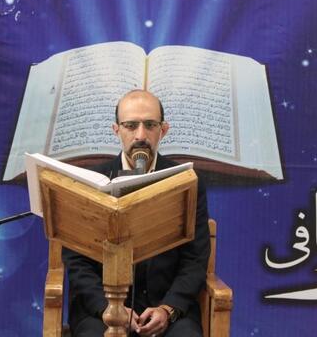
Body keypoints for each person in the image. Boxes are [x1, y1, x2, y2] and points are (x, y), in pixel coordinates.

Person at [62, 90, 211, 337]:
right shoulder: (90, 182)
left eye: (150, 125)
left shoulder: (186, 182)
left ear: (163, 130)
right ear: (116, 130)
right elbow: (77, 261)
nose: (140, 135)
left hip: (167, 310)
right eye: (130, 126)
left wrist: (168, 308)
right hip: (100, 310)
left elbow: (195, 259)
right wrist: (109, 309)